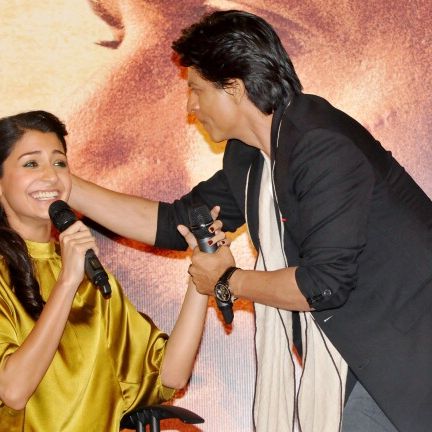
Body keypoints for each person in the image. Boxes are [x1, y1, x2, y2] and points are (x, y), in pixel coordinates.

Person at [69, 9, 432, 432]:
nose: (190, 107)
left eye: (196, 89)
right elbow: (175, 223)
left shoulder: (319, 144)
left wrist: (227, 281)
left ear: (235, 87)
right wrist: (67, 187)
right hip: (371, 362)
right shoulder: (252, 158)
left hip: (413, 353)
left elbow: (323, 284)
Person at [0, 110, 225, 431]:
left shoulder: (87, 271)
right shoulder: (64, 273)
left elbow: (170, 375)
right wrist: (67, 283)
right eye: (31, 164)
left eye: (60, 162)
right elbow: (12, 391)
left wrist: (201, 273)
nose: (51, 176)